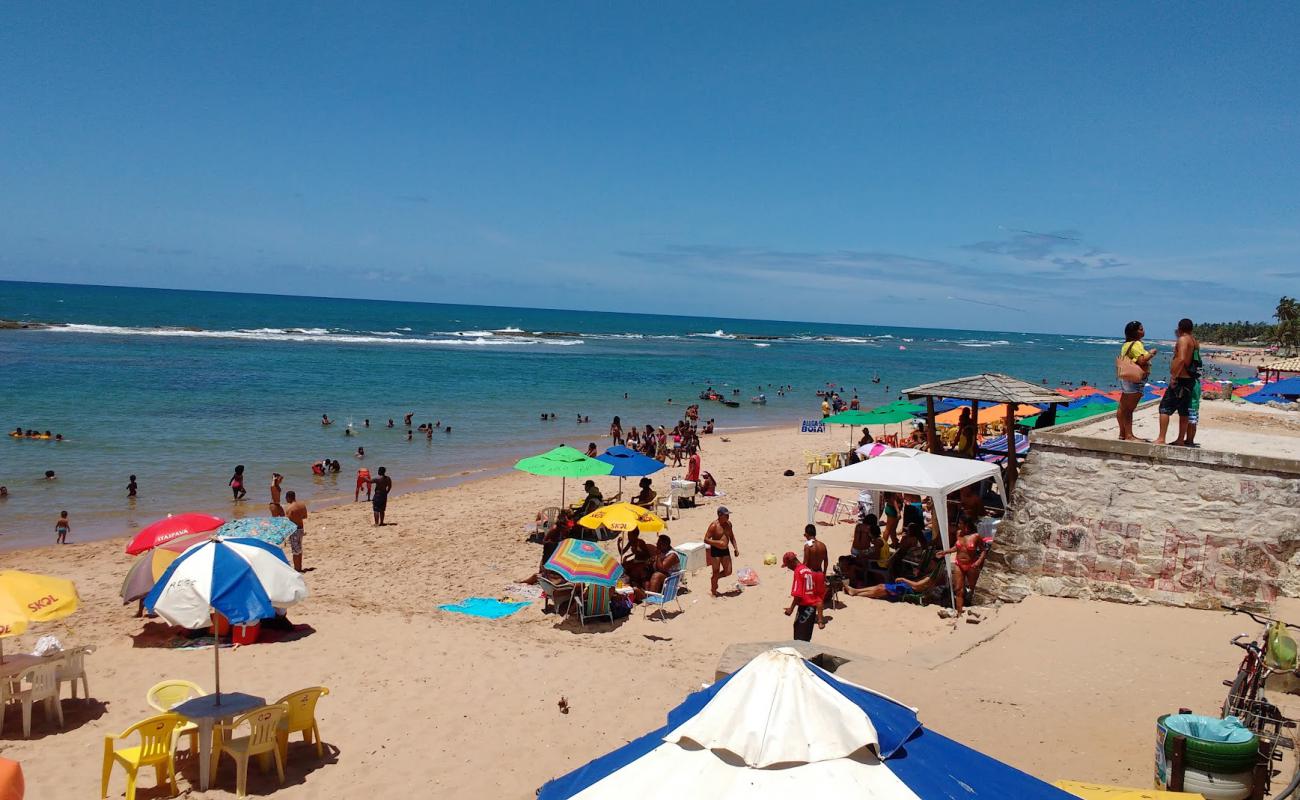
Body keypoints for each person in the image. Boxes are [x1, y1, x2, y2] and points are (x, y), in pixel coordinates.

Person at [1156, 319, 1199, 445]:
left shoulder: (1183, 340)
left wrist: (1174, 377)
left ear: (1180, 328)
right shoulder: (1194, 341)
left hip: (1180, 379)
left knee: (1164, 408)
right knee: (1183, 411)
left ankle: (1161, 438)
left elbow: (1181, 359)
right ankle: (1180, 439)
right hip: (1189, 380)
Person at [936, 517, 988, 615]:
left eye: (960, 523)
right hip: (959, 564)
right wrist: (945, 552)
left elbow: (983, 551)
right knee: (958, 589)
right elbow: (957, 547)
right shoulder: (959, 533)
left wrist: (978, 562)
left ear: (966, 525)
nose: (958, 525)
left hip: (971, 564)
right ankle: (959, 613)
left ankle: (974, 608)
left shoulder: (976, 536)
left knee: (973, 588)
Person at [1117, 321, 1157, 441]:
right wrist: (1151, 353)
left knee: (1122, 407)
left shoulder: (1125, 344)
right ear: (1135, 332)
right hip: (1136, 379)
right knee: (1129, 409)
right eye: (1140, 329)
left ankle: (1122, 433)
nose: (1143, 330)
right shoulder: (1137, 344)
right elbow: (1141, 361)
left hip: (1126, 377)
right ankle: (1129, 435)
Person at [783, 552, 824, 641]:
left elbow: (798, 595)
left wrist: (791, 609)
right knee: (806, 637)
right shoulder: (807, 570)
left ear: (791, 562)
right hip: (812, 609)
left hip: (805, 608)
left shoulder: (798, 572)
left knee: (799, 637)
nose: (789, 568)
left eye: (788, 565)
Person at [704, 507, 738, 597]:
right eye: (726, 515)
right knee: (715, 571)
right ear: (720, 515)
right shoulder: (714, 526)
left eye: (728, 515)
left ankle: (715, 578)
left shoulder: (729, 524)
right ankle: (713, 590)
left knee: (728, 571)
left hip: (725, 550)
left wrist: (736, 548)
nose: (728, 517)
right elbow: (706, 539)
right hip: (715, 551)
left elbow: (732, 537)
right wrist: (717, 543)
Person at [284, 490, 308, 571]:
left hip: (294, 530)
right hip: (301, 529)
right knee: (299, 549)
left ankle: (297, 569)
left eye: (286, 498)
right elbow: (304, 516)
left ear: (288, 498)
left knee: (295, 551)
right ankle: (299, 567)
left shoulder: (289, 508)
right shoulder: (302, 505)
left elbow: (287, 521)